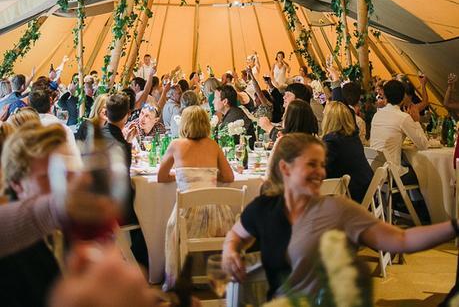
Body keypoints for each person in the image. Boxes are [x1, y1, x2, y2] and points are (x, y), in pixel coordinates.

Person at [222, 133, 457, 301]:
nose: (321, 172)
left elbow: (401, 241)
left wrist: (454, 226)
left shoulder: (338, 210)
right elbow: (235, 235)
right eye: (312, 164)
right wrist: (230, 250)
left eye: (322, 165)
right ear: (285, 169)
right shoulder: (264, 208)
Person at [158, 106, 235, 288]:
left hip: (188, 219)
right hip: (218, 218)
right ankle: (218, 281)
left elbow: (161, 177)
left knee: (171, 226)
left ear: (184, 124)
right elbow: (229, 177)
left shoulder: (176, 145)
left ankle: (178, 279)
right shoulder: (213, 145)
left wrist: (180, 175)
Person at [0, 123, 67, 307]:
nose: (64, 185)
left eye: (64, 174)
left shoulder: (66, 225)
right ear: (17, 185)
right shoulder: (11, 250)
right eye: (48, 176)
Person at [101, 94, 148, 267]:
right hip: (116, 208)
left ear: (106, 113)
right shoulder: (120, 144)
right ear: (127, 115)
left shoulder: (99, 133)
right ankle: (142, 262)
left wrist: (126, 140)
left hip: (99, 198)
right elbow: (123, 181)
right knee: (148, 212)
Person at [370, 79, 428, 178]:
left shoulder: (377, 115)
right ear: (403, 98)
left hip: (374, 170)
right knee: (425, 173)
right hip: (392, 174)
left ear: (385, 97)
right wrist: (416, 121)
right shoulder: (403, 117)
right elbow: (423, 145)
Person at [321, 101, 372, 203]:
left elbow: (321, 169)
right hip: (366, 190)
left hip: (349, 196)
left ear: (329, 119)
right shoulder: (353, 137)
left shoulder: (332, 141)